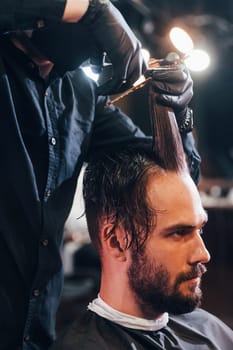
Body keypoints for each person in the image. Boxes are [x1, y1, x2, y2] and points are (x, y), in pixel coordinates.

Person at [0, 1, 199, 349]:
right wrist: (89, 8)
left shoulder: (81, 94)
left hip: (34, 331)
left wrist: (178, 117)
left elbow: (171, 179)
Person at [50, 143, 233, 350]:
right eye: (178, 233)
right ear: (116, 242)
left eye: (199, 230)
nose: (203, 254)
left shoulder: (209, 329)